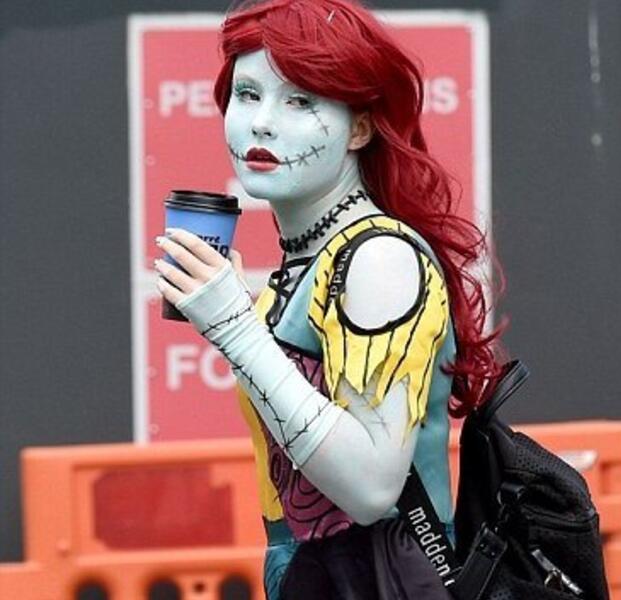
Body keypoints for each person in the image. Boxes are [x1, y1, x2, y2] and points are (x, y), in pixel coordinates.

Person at [153, 0, 504, 597]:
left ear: (360, 128)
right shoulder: (313, 262)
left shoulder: (379, 258)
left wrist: (237, 329)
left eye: (300, 101)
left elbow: (371, 490)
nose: (262, 123)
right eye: (247, 94)